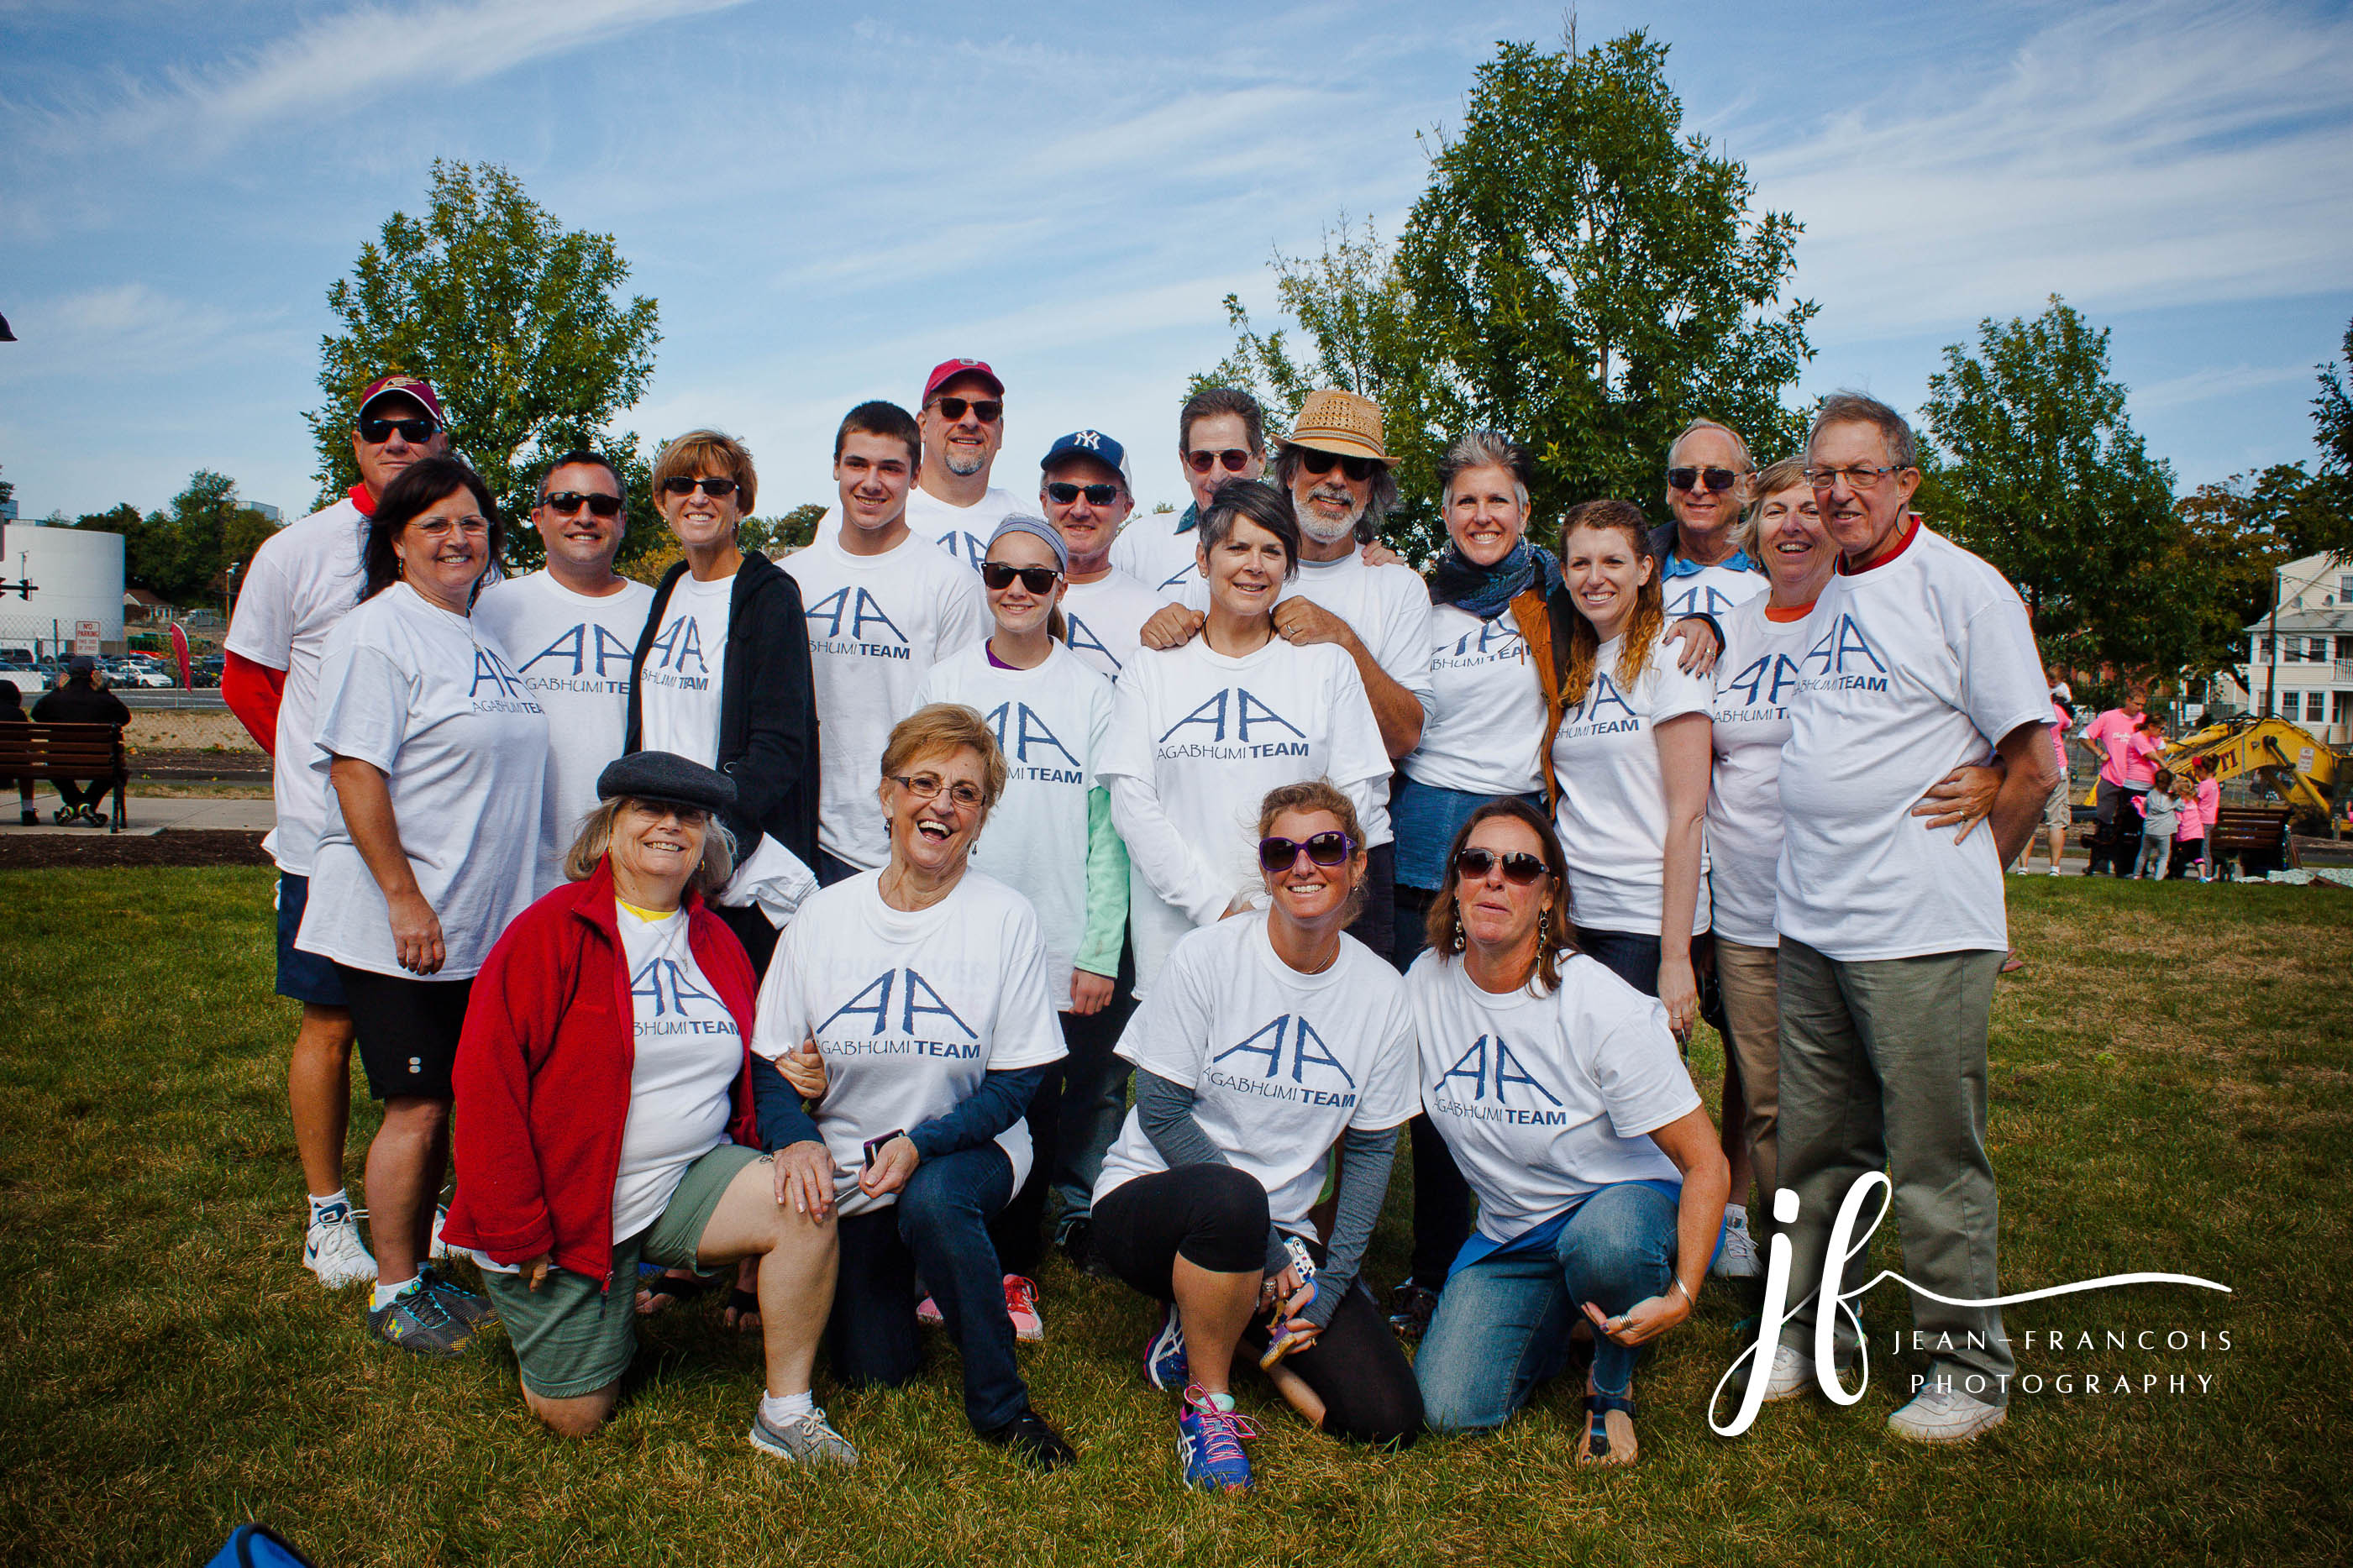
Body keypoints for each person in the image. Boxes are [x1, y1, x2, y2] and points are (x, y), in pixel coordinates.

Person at [1759, 391, 2058, 1444]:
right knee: (1814, 1151)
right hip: (1813, 921)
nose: (1837, 493)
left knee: (1932, 1158)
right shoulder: (1823, 585)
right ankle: (1806, 1329)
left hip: (1917, 928)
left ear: (1905, 482)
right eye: (1822, 474)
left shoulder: (1961, 587)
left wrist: (1970, 878)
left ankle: (1966, 1368)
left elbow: (2033, 765)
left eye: (1861, 473)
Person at [440, 753, 853, 1462]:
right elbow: (485, 1084)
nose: (670, 825)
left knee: (806, 1200)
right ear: (609, 827)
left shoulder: (717, 941)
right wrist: (515, 1224)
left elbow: (747, 1066)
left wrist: (792, 1079)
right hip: (566, 1206)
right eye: (648, 810)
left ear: (706, 839)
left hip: (680, 1180)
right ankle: (574, 1304)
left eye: (689, 815)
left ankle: (785, 1412)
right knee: (577, 1416)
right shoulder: (548, 931)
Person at [751, 704, 1075, 1469]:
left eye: (965, 792)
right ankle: (917, 1271)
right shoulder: (822, 917)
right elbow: (769, 1065)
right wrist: (796, 1138)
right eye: (923, 783)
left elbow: (1017, 1083)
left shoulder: (1006, 917)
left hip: (968, 1148)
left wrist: (919, 1143)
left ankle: (1002, 1406)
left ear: (982, 816)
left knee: (935, 1200)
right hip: (854, 1174)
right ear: (887, 794)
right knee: (876, 1369)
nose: (941, 805)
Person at [1091, 781, 1423, 1492]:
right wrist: (1270, 1250)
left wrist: (1329, 1288)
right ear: (1266, 868)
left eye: (1324, 847)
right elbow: (1160, 1111)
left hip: (1278, 1239)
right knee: (1234, 1199)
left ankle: (1213, 1324)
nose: (1302, 865)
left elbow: (1371, 1150)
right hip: (1153, 1205)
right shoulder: (1207, 956)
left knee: (1386, 1415)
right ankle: (1208, 1406)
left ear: (1358, 862)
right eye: (1281, 851)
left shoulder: (1382, 993)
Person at [293, 456, 549, 1355]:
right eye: (434, 523)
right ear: (396, 541)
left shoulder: (473, 630)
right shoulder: (378, 631)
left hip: (472, 919)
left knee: (446, 1096)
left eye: (471, 522)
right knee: (416, 1102)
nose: (456, 537)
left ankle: (423, 1270)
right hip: (404, 920)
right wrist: (404, 898)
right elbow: (356, 771)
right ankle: (394, 1290)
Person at [1408, 800, 1731, 1461]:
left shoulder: (1599, 1004)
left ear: (1549, 894)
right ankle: (1570, 1311)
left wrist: (1683, 1293)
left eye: (1519, 867)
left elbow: (1707, 1163)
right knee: (1445, 1407)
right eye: (1476, 861)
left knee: (1606, 1241)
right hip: (1514, 1231)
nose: (1494, 878)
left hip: (1627, 1211)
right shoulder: (1424, 984)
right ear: (1455, 883)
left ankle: (1609, 1389)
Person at [223, 371, 449, 1289]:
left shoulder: (457, 543)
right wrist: (318, 768)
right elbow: (248, 677)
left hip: (432, 842)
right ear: (355, 442)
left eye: (414, 427)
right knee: (330, 1019)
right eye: (379, 426)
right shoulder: (298, 549)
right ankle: (326, 1213)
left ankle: (431, 1199)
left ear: (438, 440)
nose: (397, 440)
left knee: (436, 1022)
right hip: (327, 838)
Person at [912, 516, 1127, 1329]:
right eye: (1000, 572)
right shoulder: (944, 681)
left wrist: (1098, 950)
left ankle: (1012, 1270)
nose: (1015, 589)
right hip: (951, 930)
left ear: (1059, 587)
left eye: (1035, 577)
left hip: (1053, 936)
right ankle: (931, 1255)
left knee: (1034, 1110)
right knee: (946, 1093)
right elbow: (912, 809)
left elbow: (1108, 836)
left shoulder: (1092, 692)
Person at [1142, 388, 1435, 957]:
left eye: (1356, 468)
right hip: (1231, 856)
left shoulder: (1396, 586)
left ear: (1372, 485)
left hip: (1346, 857)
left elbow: (1405, 736)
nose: (1336, 479)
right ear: (1290, 470)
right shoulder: (1231, 569)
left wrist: (1343, 638)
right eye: (1320, 461)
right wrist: (1159, 627)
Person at [1382, 430, 1557, 1337]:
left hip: (1518, 837)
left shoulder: (1555, 595)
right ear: (1444, 513)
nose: (1481, 515)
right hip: (1424, 839)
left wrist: (1707, 623)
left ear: (1523, 511)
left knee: (1515, 1050)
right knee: (1432, 1054)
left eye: (1497, 500)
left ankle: (1530, 1242)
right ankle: (1429, 1266)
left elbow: (1642, 596)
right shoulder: (1418, 600)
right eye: (1464, 501)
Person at [1100, 480, 1390, 997]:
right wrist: (1219, 908)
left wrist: (1288, 905)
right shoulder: (1151, 670)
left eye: (1272, 551)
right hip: (1177, 945)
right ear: (1203, 558)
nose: (1254, 566)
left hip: (1300, 936)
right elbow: (1132, 807)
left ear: (1289, 566)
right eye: (1237, 548)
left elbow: (1356, 801)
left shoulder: (1327, 667)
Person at [623, 430, 821, 977]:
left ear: (742, 503)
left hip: (722, 865)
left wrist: (710, 837)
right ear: (662, 501)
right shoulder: (671, 588)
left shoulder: (769, 595)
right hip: (654, 851)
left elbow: (780, 745)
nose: (698, 497)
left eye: (716, 486)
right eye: (681, 485)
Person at [790, 401, 990, 885]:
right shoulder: (789, 579)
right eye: (857, 464)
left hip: (901, 843)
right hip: (797, 838)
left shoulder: (951, 583)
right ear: (836, 467)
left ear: (915, 476)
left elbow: (958, 729)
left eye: (891, 468)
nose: (872, 482)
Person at [1542, 500, 1711, 1033]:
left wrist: (1675, 956)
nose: (1595, 578)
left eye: (1613, 562)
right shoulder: (1577, 660)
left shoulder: (1672, 654)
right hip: (1575, 911)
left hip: (1643, 918)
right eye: (1580, 563)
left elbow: (1689, 815)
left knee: (1633, 1075)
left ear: (1644, 569)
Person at [474, 451, 655, 894]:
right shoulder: (489, 608)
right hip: (509, 867)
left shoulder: (659, 610)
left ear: (622, 520)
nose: (584, 517)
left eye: (602, 505)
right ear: (539, 518)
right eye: (566, 502)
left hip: (625, 862)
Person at [1038, 428, 1174, 679]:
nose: (1080, 510)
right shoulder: (1007, 598)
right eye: (1064, 493)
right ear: (1045, 502)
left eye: (1100, 495)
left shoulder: (1156, 617)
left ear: (1126, 508)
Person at [1114, 387, 1269, 597]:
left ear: (1260, 460)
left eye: (1233, 459)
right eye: (1202, 460)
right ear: (1185, 464)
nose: (1217, 476)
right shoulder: (1139, 544)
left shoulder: (1294, 545)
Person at [1654, 418, 1767, 622]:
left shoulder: (1784, 573)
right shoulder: (1631, 575)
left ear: (1748, 488)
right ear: (1670, 489)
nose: (1698, 489)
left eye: (1717, 477)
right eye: (1684, 477)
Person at [29, 656, 130, 825]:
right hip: (98, 761)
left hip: (59, 761)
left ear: (68, 676)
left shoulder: (56, 699)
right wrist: (103, 691)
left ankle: (74, 804)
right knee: (116, 771)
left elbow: (37, 715)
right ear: (93, 675)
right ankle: (87, 804)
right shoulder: (103, 699)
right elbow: (125, 718)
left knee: (55, 768)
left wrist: (57, 690)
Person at [2078, 690, 2149, 875]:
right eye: (2137, 703)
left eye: (2143, 705)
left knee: (2132, 825)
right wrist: (2099, 753)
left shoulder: (2144, 721)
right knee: (2104, 822)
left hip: (2134, 782)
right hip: (2111, 778)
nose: (2139, 708)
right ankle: (2099, 862)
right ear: (2127, 700)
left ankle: (2129, 865)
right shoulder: (2109, 717)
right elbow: (2084, 736)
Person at [2012, 690, 2075, 876]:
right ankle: (2054, 868)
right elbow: (2069, 725)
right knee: (2056, 822)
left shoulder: (2026, 713)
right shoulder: (2057, 711)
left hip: (2033, 769)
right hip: (2057, 769)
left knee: (2028, 821)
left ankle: (2023, 867)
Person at [2132, 769, 2182, 878]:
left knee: (2143, 853)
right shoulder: (2172, 798)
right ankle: (2158, 878)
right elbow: (2182, 808)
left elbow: (2145, 808)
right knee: (2164, 856)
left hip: (2149, 829)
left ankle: (2136, 874)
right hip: (2164, 831)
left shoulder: (2151, 794)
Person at [2166, 768, 2207, 880]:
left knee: (2181, 856)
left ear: (2181, 793)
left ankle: (2177, 875)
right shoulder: (2193, 802)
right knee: (2198, 856)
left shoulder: (2180, 805)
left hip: (2185, 835)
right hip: (2198, 834)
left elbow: (2178, 820)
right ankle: (2202, 876)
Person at [2, 680, 34, 826]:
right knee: (26, 766)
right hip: (15, 762)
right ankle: (28, 810)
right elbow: (26, 741)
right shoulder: (18, 714)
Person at [2194, 758, 2222, 879]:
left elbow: (2195, 801)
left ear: (2203, 770)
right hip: (2210, 819)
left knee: (2203, 848)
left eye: (2197, 771)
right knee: (2205, 847)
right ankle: (2207, 872)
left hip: (2202, 820)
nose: (2196, 774)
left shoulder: (2204, 785)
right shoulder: (2214, 783)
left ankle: (2207, 874)